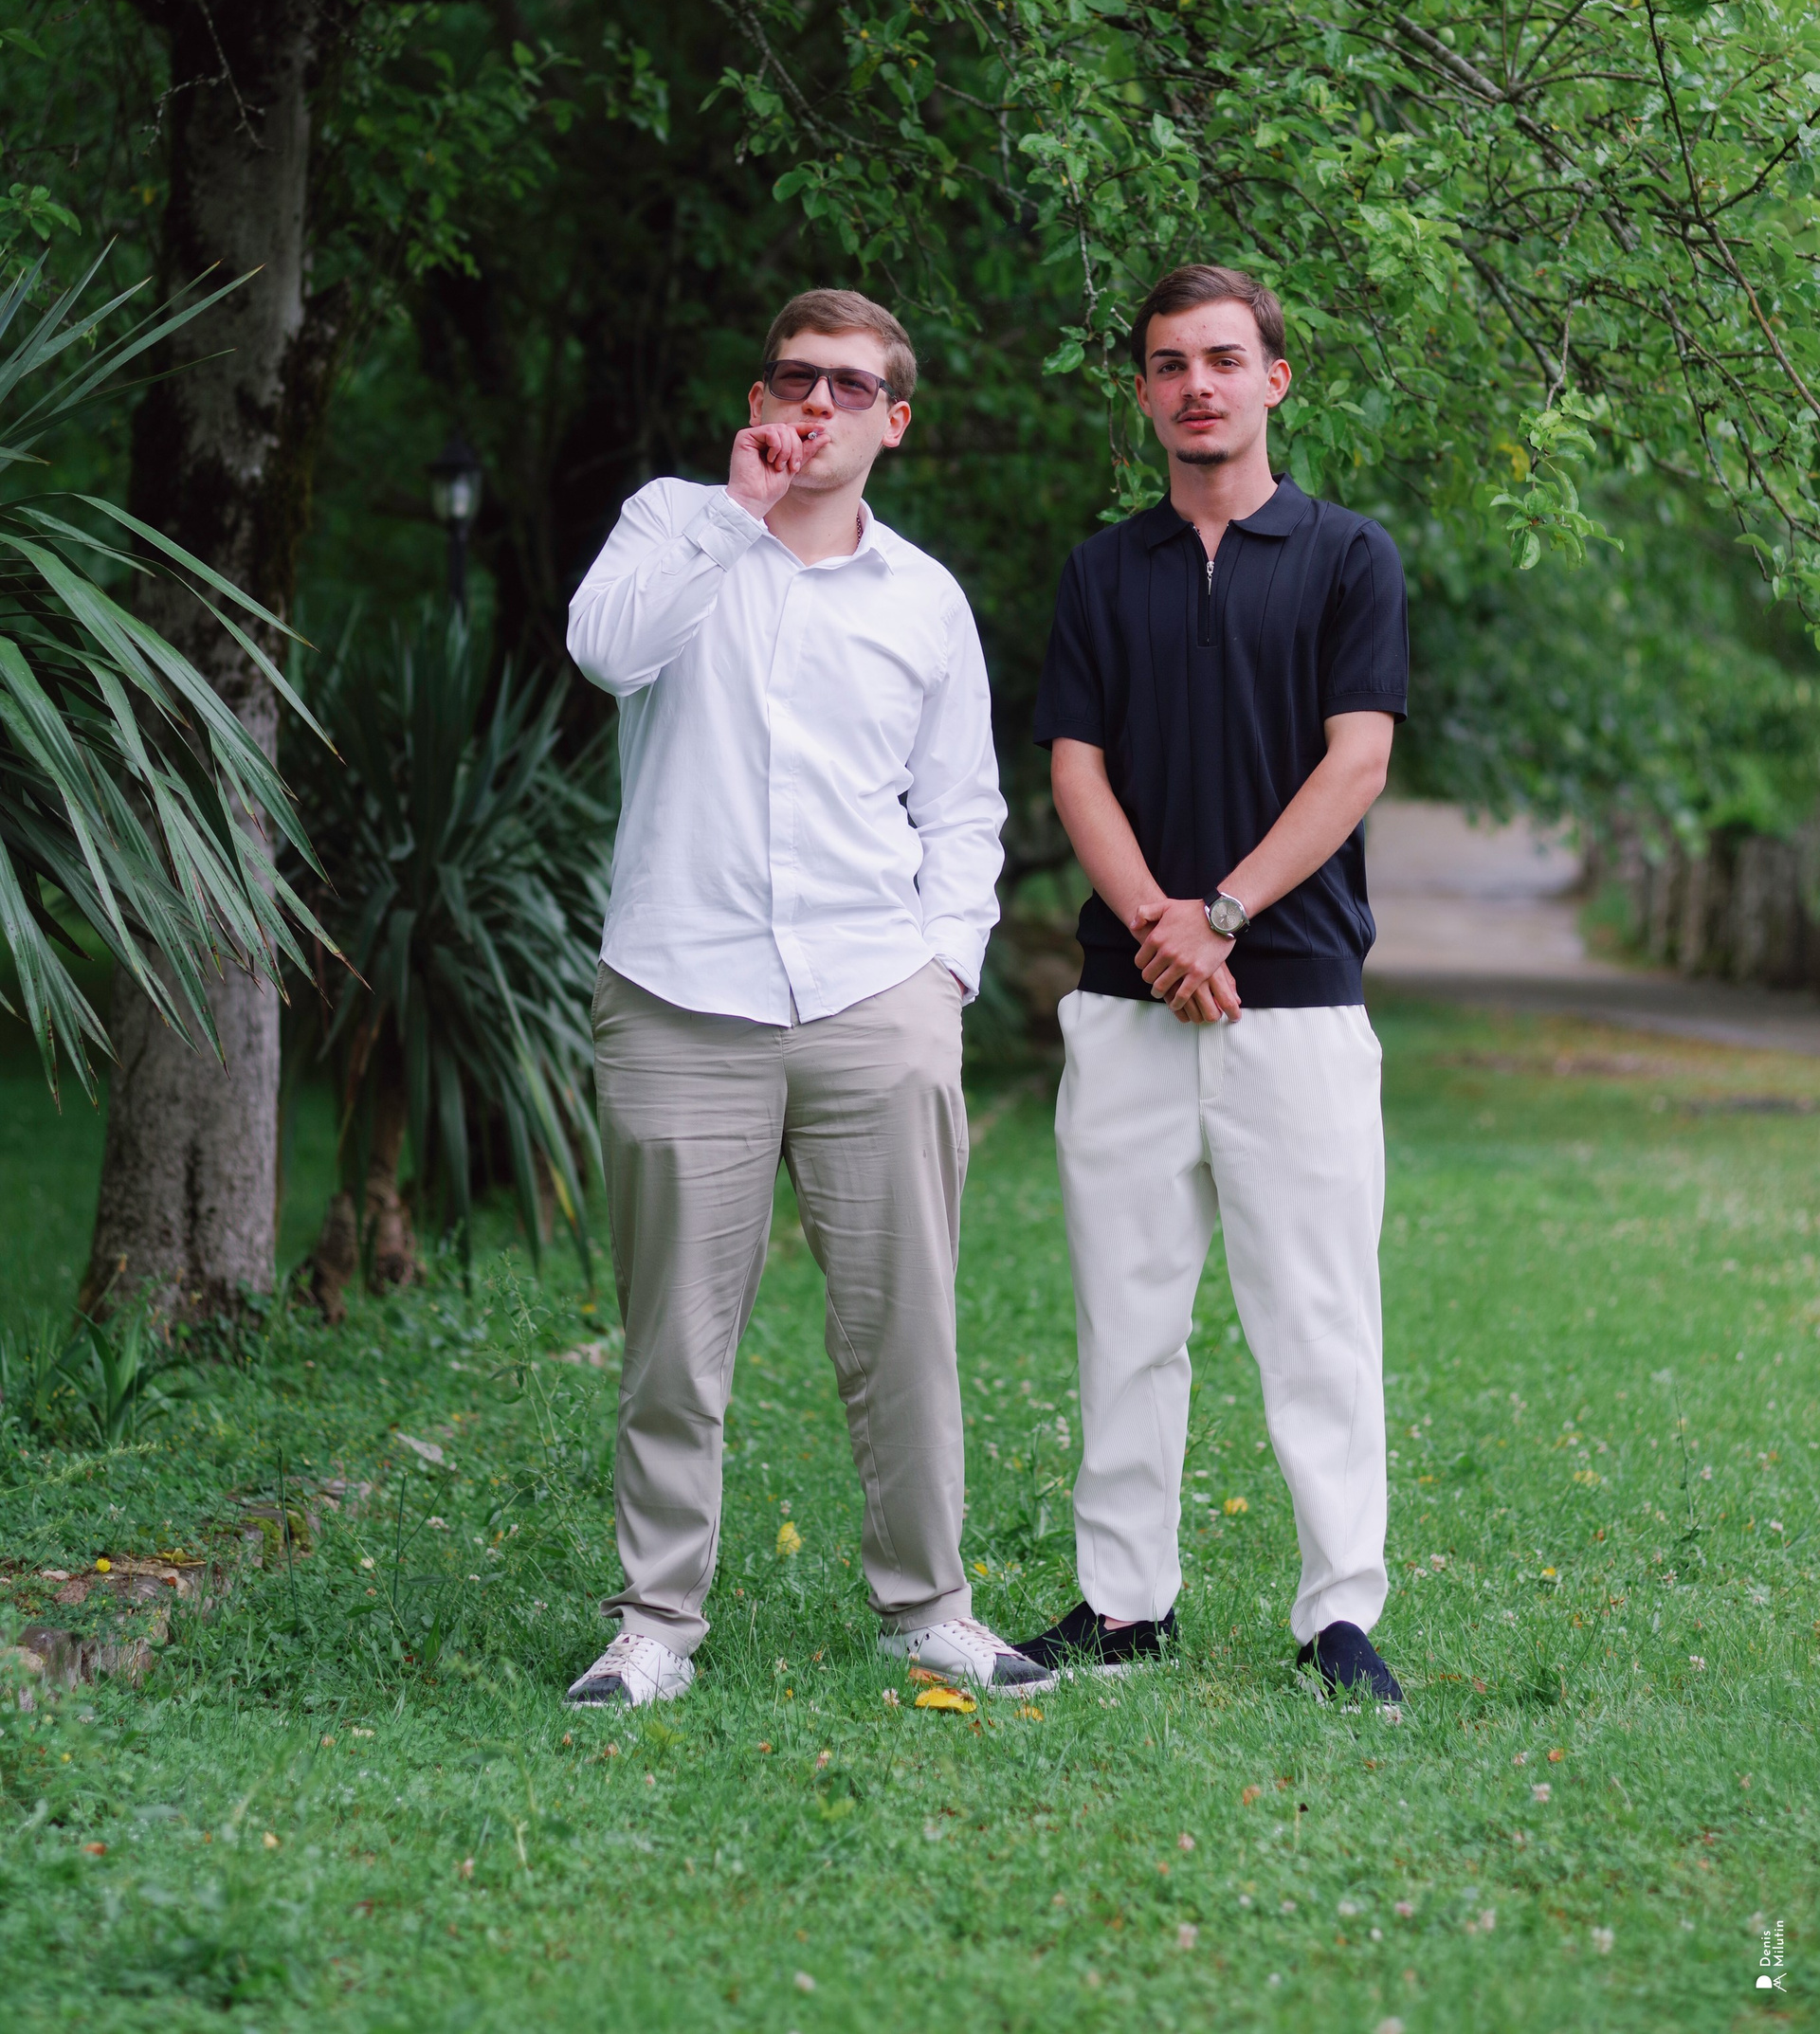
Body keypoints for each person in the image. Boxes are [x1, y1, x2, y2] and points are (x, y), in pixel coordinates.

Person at [562, 287, 1049, 1706]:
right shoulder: (673, 525)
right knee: (673, 1343)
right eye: (794, 379)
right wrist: (736, 513)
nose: (816, 405)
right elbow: (606, 652)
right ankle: (657, 1625)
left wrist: (945, 973)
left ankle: (930, 1609)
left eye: (850, 387)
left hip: (873, 997)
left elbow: (963, 809)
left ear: (895, 423)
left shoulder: (925, 599)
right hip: (679, 995)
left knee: (906, 1329)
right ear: (759, 400)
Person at [1010, 263, 1409, 1707]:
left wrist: (1223, 915)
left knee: (1317, 1321)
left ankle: (1339, 1617)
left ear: (1274, 380)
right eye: (1172, 364)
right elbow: (1076, 770)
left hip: (1295, 1001)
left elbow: (1357, 762)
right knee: (1126, 1318)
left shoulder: (1349, 557)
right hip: (1127, 1002)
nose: (1199, 386)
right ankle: (1126, 1606)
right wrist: (1160, 928)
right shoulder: (1101, 571)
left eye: (1225, 359)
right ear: (1143, 394)